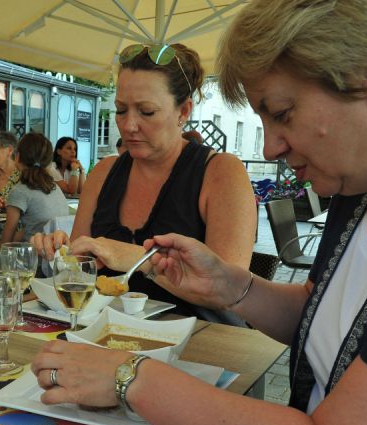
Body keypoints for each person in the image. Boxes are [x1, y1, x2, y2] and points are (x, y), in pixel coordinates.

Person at [32, 1, 367, 425]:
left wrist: (127, 376)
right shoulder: (359, 195)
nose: (270, 146)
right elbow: (336, 315)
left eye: (281, 113)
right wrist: (235, 288)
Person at [33, 42, 256, 320]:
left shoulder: (220, 172)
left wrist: (135, 258)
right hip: (107, 337)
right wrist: (58, 253)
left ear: (183, 111)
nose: (128, 125)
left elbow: (229, 292)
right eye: (121, 110)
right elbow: (80, 269)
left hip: (198, 345)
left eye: (146, 111)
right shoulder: (104, 172)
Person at [0, 133, 69, 244]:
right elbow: (34, 227)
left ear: (17, 157)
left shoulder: (19, 191)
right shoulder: (55, 187)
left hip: (34, 256)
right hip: (59, 253)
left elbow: (6, 241)